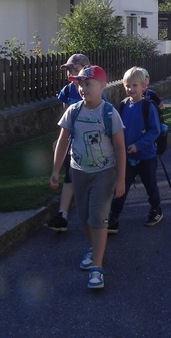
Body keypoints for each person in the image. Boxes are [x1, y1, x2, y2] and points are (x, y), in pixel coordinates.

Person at [50, 65, 126, 290]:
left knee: (98, 217)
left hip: (104, 172)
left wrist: (121, 179)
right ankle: (94, 248)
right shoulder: (73, 111)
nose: (82, 88)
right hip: (78, 171)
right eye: (80, 84)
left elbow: (120, 148)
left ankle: (97, 267)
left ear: (102, 86)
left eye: (88, 84)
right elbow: (62, 142)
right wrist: (55, 170)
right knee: (84, 217)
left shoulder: (109, 113)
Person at [107, 67, 163, 234]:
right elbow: (117, 128)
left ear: (143, 86)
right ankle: (113, 217)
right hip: (126, 156)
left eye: (134, 85)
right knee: (121, 186)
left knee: (151, 186)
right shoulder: (123, 105)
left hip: (146, 156)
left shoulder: (148, 106)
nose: (130, 89)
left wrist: (138, 145)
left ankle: (156, 209)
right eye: (127, 85)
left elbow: (155, 131)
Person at [47, 53, 90, 232]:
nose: (71, 73)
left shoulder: (92, 90)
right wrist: (60, 139)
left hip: (89, 142)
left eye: (75, 69)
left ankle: (98, 214)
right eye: (69, 70)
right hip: (72, 141)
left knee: (90, 177)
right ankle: (62, 215)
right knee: (69, 176)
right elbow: (66, 119)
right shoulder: (67, 91)